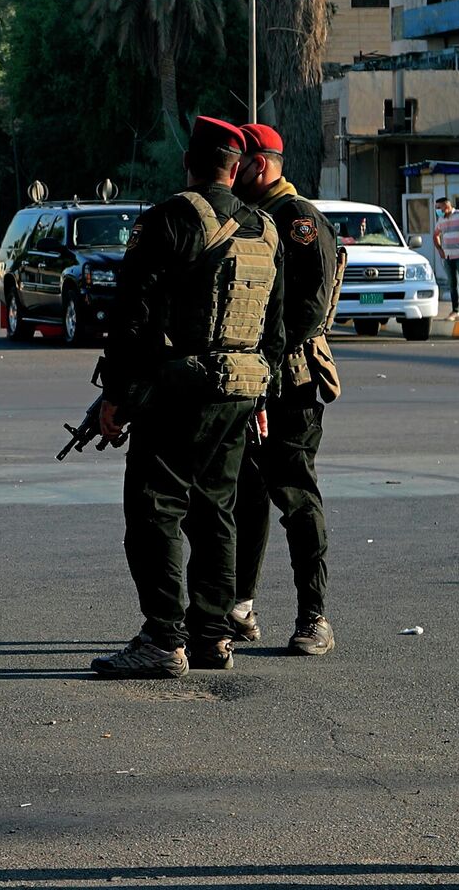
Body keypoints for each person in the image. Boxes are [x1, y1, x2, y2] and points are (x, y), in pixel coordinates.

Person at [90, 116, 286, 679]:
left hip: (181, 390)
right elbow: (272, 328)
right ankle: (212, 636)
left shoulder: (172, 218)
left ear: (189, 161)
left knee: (155, 508)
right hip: (242, 390)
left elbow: (134, 315)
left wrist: (117, 396)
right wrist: (261, 397)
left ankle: (163, 637)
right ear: (236, 165)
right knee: (216, 511)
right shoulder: (263, 228)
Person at [228, 123, 340, 657]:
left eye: (241, 161)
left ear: (262, 164)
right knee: (242, 497)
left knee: (296, 497)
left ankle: (314, 617)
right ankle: (239, 608)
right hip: (247, 383)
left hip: (289, 383)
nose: (233, 170)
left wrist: (264, 368)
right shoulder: (247, 217)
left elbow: (308, 311)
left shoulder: (298, 222)